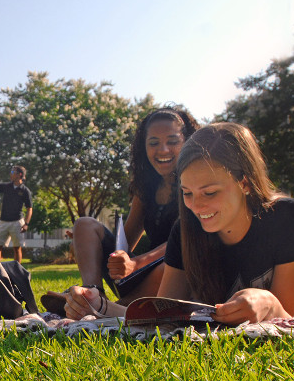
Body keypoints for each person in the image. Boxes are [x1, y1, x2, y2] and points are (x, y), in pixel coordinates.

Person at [64, 122, 294, 323]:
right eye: (187, 193)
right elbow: (162, 313)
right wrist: (97, 306)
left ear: (245, 183)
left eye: (209, 192)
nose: (196, 207)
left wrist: (268, 302)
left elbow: (289, 317)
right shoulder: (186, 230)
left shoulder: (288, 217)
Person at [43, 108, 200, 313]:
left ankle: (109, 308)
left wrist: (137, 263)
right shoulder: (145, 188)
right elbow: (125, 240)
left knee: (171, 267)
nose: (163, 150)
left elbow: (186, 238)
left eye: (172, 141)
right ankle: (92, 293)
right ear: (143, 147)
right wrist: (116, 257)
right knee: (84, 224)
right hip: (141, 272)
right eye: (153, 143)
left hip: (175, 271)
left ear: (187, 142)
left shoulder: (196, 184)